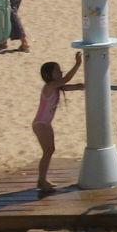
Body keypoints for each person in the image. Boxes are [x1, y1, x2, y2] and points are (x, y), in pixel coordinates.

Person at [32, 55, 83, 196]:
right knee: (47, 151)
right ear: (49, 75)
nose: (61, 72)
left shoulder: (57, 87)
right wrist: (77, 64)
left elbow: (72, 86)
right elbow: (67, 79)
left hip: (45, 124)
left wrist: (84, 86)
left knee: (50, 150)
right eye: (57, 71)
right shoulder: (49, 87)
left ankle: (42, 179)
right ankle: (42, 180)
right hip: (40, 124)